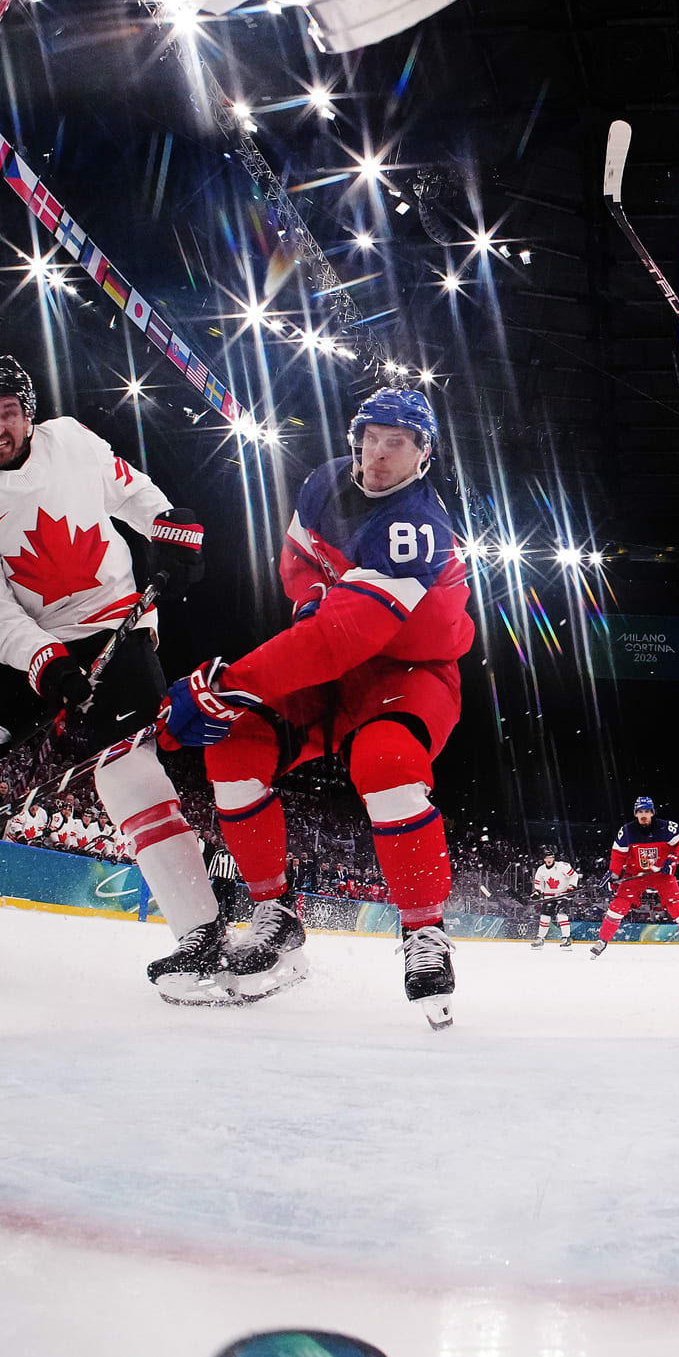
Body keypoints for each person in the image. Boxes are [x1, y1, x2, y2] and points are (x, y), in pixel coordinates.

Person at [0, 355, 224, 986]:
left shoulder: (73, 443)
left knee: (123, 767)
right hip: (33, 644)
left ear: (28, 416)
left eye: (8, 413)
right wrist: (46, 663)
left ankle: (203, 939)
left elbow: (133, 492)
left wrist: (169, 527)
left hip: (117, 624)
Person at [156, 385, 473, 1018]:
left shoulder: (417, 527)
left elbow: (342, 637)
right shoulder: (324, 482)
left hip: (406, 672)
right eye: (372, 438)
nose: (379, 454)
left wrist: (227, 684)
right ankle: (275, 917)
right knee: (234, 745)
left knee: (385, 766)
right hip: (333, 662)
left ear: (423, 454)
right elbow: (298, 558)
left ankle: (423, 929)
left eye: (398, 443)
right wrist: (305, 603)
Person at [591, 797, 679, 956]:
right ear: (635, 814)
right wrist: (613, 874)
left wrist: (673, 858)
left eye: (647, 811)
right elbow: (618, 856)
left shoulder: (667, 828)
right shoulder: (626, 831)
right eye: (640, 812)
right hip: (635, 875)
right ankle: (602, 941)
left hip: (661, 874)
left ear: (652, 812)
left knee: (677, 906)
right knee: (619, 905)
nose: (643, 815)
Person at [531, 851, 580, 948]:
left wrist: (571, 887)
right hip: (549, 896)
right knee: (544, 917)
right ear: (544, 860)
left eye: (550, 858)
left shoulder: (562, 866)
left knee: (561, 915)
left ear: (553, 858)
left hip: (563, 895)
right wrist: (537, 892)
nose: (548, 860)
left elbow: (574, 875)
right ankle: (540, 939)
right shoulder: (541, 870)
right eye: (546, 858)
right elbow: (538, 885)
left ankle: (566, 939)